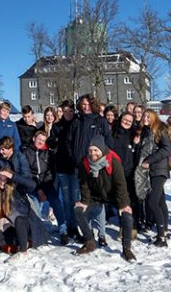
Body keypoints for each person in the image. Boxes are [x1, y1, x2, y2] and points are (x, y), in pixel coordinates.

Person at [74, 136, 136, 261]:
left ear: (102, 149)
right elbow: (84, 184)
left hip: (113, 195)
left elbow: (121, 185)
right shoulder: (85, 163)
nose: (93, 153)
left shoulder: (113, 162)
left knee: (127, 216)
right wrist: (85, 202)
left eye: (96, 150)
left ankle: (127, 248)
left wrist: (123, 205)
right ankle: (89, 242)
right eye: (90, 150)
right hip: (96, 196)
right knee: (78, 210)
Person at [0, 168, 48, 261]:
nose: (2, 182)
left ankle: (23, 251)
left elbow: (32, 185)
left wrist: (13, 176)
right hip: (10, 228)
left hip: (26, 225)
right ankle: (22, 242)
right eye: (0, 178)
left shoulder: (18, 190)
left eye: (5, 179)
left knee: (19, 219)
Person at [135, 109, 171, 246]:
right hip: (150, 171)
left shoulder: (160, 129)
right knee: (161, 201)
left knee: (152, 202)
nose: (145, 118)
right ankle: (165, 230)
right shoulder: (145, 131)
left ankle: (161, 236)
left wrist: (149, 161)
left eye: (148, 116)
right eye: (143, 116)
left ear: (154, 117)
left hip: (159, 170)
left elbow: (167, 149)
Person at [25, 130, 66, 240]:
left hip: (46, 185)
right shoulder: (26, 152)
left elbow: (50, 172)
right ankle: (38, 232)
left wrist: (44, 188)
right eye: (39, 139)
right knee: (35, 207)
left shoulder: (48, 153)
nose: (41, 142)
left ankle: (63, 230)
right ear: (34, 138)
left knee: (56, 202)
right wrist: (38, 189)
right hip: (33, 186)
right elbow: (27, 173)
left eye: (43, 141)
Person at [50, 100, 79, 244]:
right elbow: (51, 141)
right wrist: (52, 142)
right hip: (62, 166)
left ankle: (76, 225)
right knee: (66, 199)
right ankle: (70, 226)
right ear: (61, 111)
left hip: (75, 166)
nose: (68, 114)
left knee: (76, 198)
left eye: (71, 111)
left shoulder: (77, 124)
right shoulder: (57, 126)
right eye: (65, 111)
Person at [68, 94, 114, 177]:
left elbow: (109, 141)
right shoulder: (76, 121)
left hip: (96, 165)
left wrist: (101, 157)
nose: (86, 107)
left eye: (89, 104)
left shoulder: (100, 121)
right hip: (78, 164)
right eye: (84, 104)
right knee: (80, 189)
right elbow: (68, 141)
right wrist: (72, 157)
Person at [112, 112, 141, 237]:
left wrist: (136, 143)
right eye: (125, 119)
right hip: (117, 172)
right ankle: (123, 227)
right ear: (120, 119)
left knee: (132, 200)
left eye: (130, 121)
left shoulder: (134, 135)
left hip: (131, 172)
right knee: (120, 200)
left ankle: (133, 226)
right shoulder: (114, 133)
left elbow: (138, 155)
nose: (127, 122)